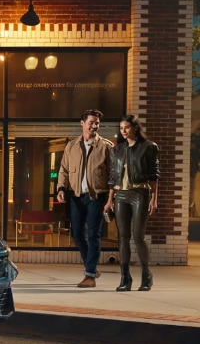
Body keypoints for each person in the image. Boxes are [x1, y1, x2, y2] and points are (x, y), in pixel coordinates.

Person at [56, 109, 114, 288]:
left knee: (93, 234)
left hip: (97, 196)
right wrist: (61, 188)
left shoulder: (106, 146)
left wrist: (110, 199)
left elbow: (114, 175)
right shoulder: (71, 146)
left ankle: (90, 275)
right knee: (77, 234)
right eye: (91, 122)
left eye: (97, 123)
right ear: (82, 123)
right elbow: (64, 169)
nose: (94, 126)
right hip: (76, 196)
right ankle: (92, 267)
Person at [103, 115, 159, 291]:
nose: (124, 131)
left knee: (138, 236)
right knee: (123, 237)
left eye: (127, 127)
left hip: (140, 193)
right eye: (121, 128)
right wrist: (110, 199)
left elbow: (154, 175)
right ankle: (125, 278)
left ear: (135, 127)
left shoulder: (148, 147)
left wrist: (154, 199)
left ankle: (146, 275)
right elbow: (113, 177)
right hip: (121, 195)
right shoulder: (116, 150)